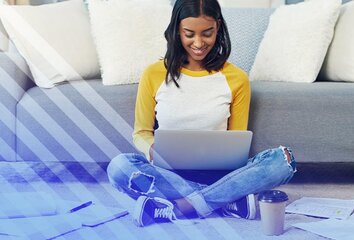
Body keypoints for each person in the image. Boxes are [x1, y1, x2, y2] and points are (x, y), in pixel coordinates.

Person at [107, 0, 297, 227]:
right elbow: (141, 132)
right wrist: (151, 149)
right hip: (170, 175)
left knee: (283, 161)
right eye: (189, 34)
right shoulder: (154, 74)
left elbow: (236, 140)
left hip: (223, 175)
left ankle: (182, 206)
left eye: (207, 33)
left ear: (218, 27)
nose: (198, 43)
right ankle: (226, 202)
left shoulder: (236, 78)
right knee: (119, 167)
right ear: (177, 31)